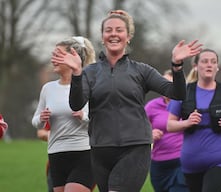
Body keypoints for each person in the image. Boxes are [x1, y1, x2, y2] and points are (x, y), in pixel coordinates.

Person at [51, 9, 202, 192]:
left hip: (135, 147)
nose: (113, 34)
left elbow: (177, 93)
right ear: (102, 37)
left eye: (119, 30)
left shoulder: (141, 71)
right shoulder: (90, 72)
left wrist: (177, 66)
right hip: (100, 149)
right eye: (108, 30)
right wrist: (76, 74)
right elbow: (76, 104)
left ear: (128, 36)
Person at [167, 49, 221, 192]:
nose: (209, 65)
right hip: (191, 161)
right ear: (195, 66)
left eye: (213, 62)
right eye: (204, 61)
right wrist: (186, 122)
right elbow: (170, 125)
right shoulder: (184, 91)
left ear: (217, 67)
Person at [32, 36, 96, 192]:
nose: (53, 58)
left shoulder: (89, 85)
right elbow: (35, 121)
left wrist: (84, 116)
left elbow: (101, 119)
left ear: (72, 57)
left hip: (84, 152)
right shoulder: (48, 88)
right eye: (53, 54)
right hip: (56, 154)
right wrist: (41, 118)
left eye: (58, 54)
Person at [144, 69, 189, 192]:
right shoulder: (152, 106)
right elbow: (138, 129)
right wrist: (149, 134)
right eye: (162, 83)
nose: (165, 87)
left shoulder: (187, 104)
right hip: (159, 164)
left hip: (182, 160)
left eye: (169, 83)